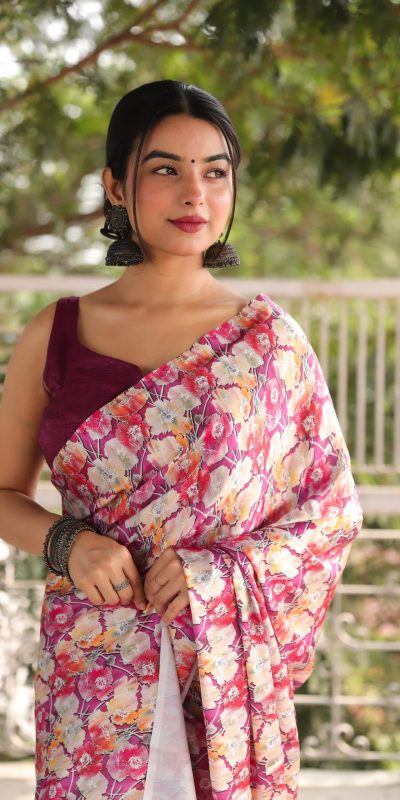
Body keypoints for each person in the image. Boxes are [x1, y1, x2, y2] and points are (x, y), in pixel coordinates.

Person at [0, 80, 363, 799]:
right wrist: (68, 542)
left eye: (215, 171)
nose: (195, 193)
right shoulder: (57, 333)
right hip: (94, 669)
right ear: (115, 186)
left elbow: (329, 512)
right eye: (166, 168)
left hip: (226, 668)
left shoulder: (269, 344)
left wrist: (217, 571)